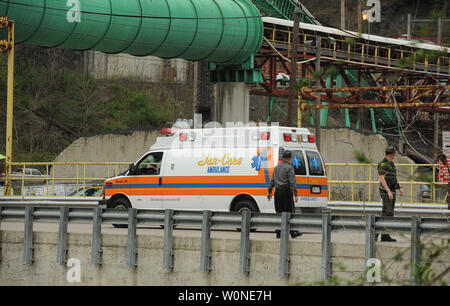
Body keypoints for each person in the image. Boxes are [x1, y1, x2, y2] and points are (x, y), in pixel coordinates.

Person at [267, 150, 302, 239]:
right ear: (290, 158)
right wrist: (296, 194)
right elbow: (292, 182)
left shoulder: (276, 167)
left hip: (277, 192)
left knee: (279, 212)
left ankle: (279, 233)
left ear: (283, 158)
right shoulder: (289, 167)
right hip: (286, 192)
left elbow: (272, 181)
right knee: (290, 211)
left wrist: (269, 192)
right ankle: (293, 232)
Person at [377, 145, 404, 242]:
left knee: (390, 213)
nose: (394, 156)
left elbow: (394, 176)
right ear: (390, 154)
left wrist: (399, 187)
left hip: (392, 190)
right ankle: (376, 233)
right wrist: (388, 191)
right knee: (386, 212)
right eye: (393, 154)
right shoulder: (383, 164)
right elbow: (382, 179)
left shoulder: (391, 163)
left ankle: (385, 235)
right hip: (385, 191)